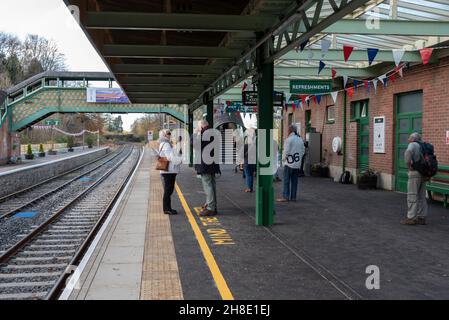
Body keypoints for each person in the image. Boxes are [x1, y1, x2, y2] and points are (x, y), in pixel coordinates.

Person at [194, 120, 221, 216]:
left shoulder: (204, 134)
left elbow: (195, 145)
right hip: (212, 164)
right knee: (212, 185)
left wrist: (196, 133)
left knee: (208, 185)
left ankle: (210, 207)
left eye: (198, 127)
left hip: (205, 164)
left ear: (201, 127)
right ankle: (213, 206)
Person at [401, 132, 428, 225]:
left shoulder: (412, 145)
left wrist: (409, 166)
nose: (408, 139)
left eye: (409, 138)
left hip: (415, 173)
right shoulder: (424, 146)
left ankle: (411, 218)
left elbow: (408, 153)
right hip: (424, 174)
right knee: (422, 196)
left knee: (412, 195)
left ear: (413, 139)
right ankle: (422, 217)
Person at [277, 124, 305, 202]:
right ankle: (293, 197)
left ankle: (285, 197)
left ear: (290, 130)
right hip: (297, 164)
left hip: (289, 164)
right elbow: (303, 151)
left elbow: (286, 151)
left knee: (286, 181)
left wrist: (283, 159)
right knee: (294, 181)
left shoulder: (289, 140)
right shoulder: (300, 139)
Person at [158, 129, 183, 215]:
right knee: (168, 190)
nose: (170, 134)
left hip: (169, 170)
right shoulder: (166, 144)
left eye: (170, 133)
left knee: (169, 189)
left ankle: (167, 208)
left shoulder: (166, 144)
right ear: (164, 135)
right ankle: (167, 209)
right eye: (168, 133)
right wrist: (180, 160)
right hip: (169, 170)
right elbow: (170, 157)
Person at [239, 128, 257, 193]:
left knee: (248, 175)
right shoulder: (255, 145)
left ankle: (249, 188)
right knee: (251, 175)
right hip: (253, 162)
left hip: (247, 161)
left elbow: (241, 155)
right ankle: (250, 187)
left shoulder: (245, 146)